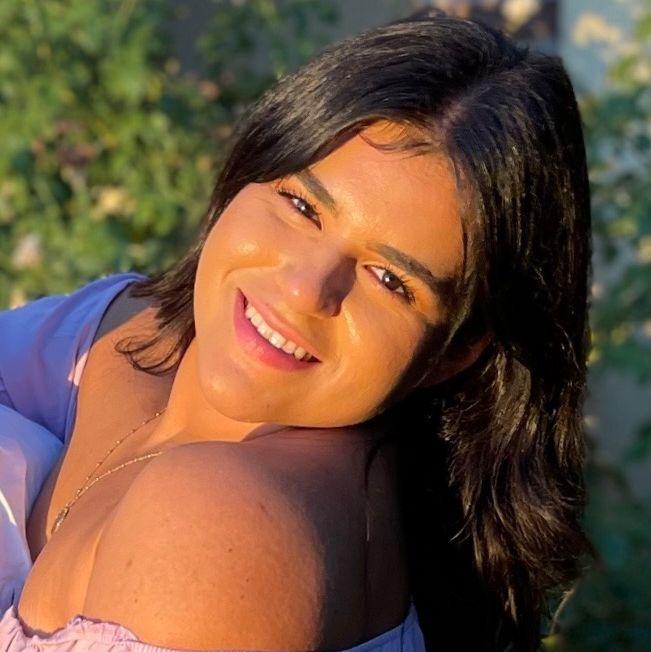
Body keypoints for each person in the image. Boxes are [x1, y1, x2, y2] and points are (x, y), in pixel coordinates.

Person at [0, 8, 595, 652]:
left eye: (390, 280)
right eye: (302, 205)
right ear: (249, 170)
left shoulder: (225, 525)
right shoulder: (122, 331)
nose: (306, 289)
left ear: (454, 353)